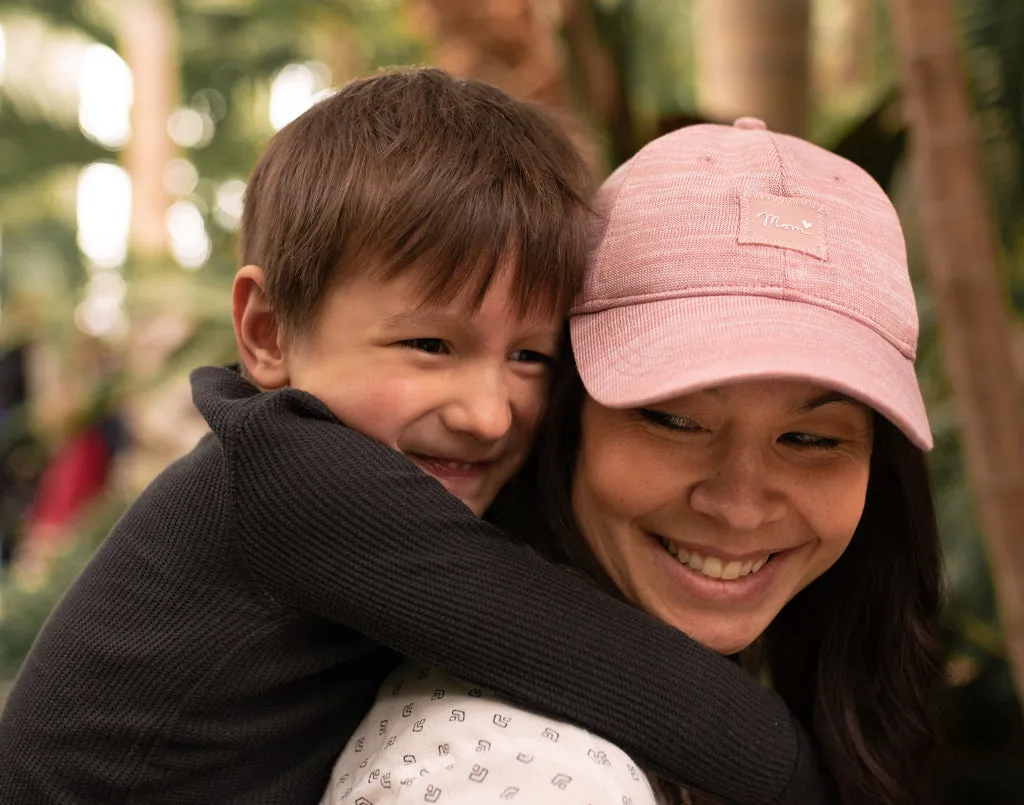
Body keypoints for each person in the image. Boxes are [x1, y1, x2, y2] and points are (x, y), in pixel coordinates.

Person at [0, 74, 828, 805]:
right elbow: (666, 698)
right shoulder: (303, 479)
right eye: (430, 346)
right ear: (267, 331)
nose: (487, 413)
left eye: (530, 357)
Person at [323, 117, 946, 805]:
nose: (739, 503)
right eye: (676, 419)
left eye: (811, 439)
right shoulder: (522, 771)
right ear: (567, 413)